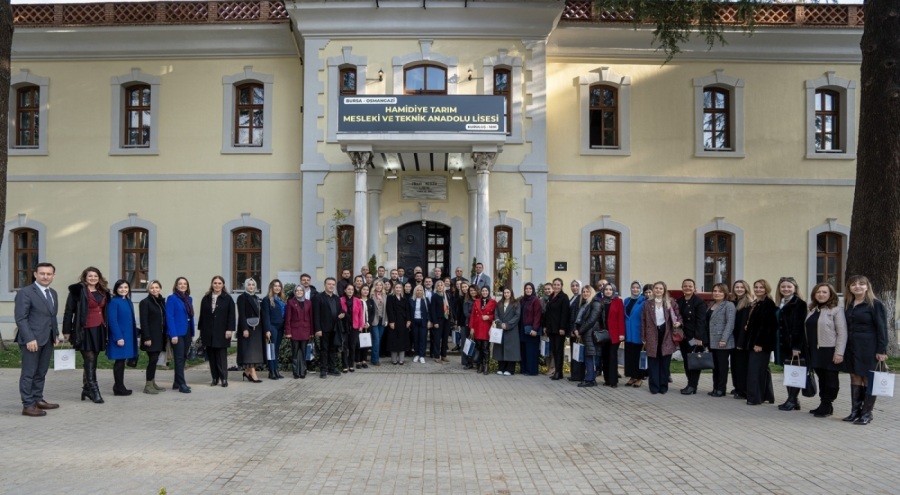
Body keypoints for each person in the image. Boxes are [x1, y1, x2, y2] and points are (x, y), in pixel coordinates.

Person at [842, 275, 888, 425]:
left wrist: (882, 350)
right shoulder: (848, 304)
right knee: (855, 376)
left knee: (868, 378)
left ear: (867, 287)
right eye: (853, 284)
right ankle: (855, 411)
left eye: (861, 284)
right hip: (851, 346)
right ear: (849, 288)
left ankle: (867, 413)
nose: (857, 286)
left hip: (869, 346)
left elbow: (882, 329)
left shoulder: (875, 304)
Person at [15, 262, 60, 417]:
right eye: (42, 273)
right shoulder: (26, 292)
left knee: (41, 372)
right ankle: (27, 405)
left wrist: (55, 334)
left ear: (53, 275)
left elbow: (52, 316)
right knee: (29, 373)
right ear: (35, 274)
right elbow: (21, 318)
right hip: (31, 340)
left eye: (49, 274)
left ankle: (37, 399)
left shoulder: (53, 293)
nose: (45, 276)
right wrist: (29, 338)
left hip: (47, 339)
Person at [63, 267, 112, 404]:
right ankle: (94, 390)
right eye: (90, 276)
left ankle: (86, 388)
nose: (93, 278)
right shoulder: (77, 290)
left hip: (99, 329)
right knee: (89, 359)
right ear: (85, 277)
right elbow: (69, 311)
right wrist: (66, 331)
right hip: (83, 329)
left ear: (99, 277)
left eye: (95, 276)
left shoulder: (103, 291)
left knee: (93, 359)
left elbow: (106, 310)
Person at [804, 283, 847, 418]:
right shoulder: (812, 309)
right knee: (821, 377)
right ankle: (824, 403)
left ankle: (828, 404)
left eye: (824, 292)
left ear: (830, 295)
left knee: (830, 379)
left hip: (830, 350)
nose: (821, 295)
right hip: (815, 351)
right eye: (818, 292)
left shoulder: (836, 310)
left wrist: (839, 352)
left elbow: (842, 333)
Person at [640, 281, 681, 395]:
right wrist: (643, 337)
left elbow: (678, 316)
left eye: (660, 288)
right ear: (653, 290)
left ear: (664, 290)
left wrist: (678, 323)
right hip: (652, 334)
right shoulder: (647, 303)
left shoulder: (670, 302)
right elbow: (643, 321)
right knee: (653, 361)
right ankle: (654, 386)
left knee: (664, 362)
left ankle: (663, 386)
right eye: (656, 288)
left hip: (666, 334)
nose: (658, 290)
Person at [197, 276, 235, 387]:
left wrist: (229, 329)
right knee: (211, 356)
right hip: (208, 331)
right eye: (215, 283)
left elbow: (231, 315)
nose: (217, 285)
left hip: (222, 331)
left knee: (221, 356)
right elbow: (202, 315)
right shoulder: (206, 298)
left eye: (219, 283)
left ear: (223, 285)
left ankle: (224, 378)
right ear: (212, 284)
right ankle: (214, 378)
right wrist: (201, 331)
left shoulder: (227, 298)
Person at [744, 280, 777, 406]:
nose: (758, 289)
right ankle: (767, 395)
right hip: (754, 341)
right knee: (763, 369)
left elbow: (766, 326)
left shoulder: (768, 304)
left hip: (760, 343)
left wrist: (759, 343)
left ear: (766, 289)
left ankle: (754, 398)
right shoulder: (757, 302)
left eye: (761, 288)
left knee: (755, 370)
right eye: (756, 287)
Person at [776, 276, 806, 411]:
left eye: (789, 287)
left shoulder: (799, 304)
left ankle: (792, 400)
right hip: (783, 343)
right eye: (783, 287)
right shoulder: (782, 302)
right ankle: (793, 399)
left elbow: (799, 326)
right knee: (788, 371)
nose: (786, 289)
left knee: (794, 371)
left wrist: (796, 347)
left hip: (793, 345)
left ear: (794, 288)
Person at [106, 279, 139, 396]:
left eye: (125, 287)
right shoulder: (114, 302)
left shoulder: (128, 301)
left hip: (128, 336)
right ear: (116, 289)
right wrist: (118, 337)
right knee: (119, 361)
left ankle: (119, 386)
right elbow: (112, 320)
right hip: (119, 337)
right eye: (120, 288)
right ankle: (118, 387)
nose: (123, 289)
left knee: (122, 361)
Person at [676, 279, 707, 395]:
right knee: (686, 361)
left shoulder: (699, 302)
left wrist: (699, 338)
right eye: (685, 286)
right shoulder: (680, 301)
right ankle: (690, 383)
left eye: (690, 286)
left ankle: (693, 385)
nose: (687, 288)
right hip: (683, 337)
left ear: (694, 288)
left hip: (694, 337)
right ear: (682, 287)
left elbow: (701, 321)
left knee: (694, 361)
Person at [165, 277, 194, 393]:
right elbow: (169, 317)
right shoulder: (172, 298)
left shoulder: (189, 299)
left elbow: (190, 316)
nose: (182, 285)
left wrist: (192, 332)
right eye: (180, 284)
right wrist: (173, 334)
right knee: (179, 358)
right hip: (177, 332)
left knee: (184, 356)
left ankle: (176, 382)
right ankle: (182, 384)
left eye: (184, 284)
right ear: (176, 286)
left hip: (187, 331)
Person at [706, 283, 736, 397]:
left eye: (720, 291)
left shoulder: (729, 305)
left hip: (723, 341)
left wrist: (724, 339)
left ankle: (721, 389)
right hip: (712, 340)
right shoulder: (711, 305)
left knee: (722, 366)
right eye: (715, 290)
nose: (717, 293)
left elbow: (730, 323)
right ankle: (715, 387)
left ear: (725, 293)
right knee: (715, 366)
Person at [138, 280, 167, 394]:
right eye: (152, 288)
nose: (154, 289)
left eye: (157, 287)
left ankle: (152, 382)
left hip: (160, 336)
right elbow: (143, 321)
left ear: (160, 288)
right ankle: (148, 385)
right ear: (148, 289)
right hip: (151, 337)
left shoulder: (161, 302)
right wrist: (147, 337)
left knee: (155, 361)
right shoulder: (145, 302)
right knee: (152, 360)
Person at [237, 278, 267, 383]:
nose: (251, 286)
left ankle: (247, 372)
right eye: (249, 284)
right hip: (247, 328)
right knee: (248, 352)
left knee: (254, 352)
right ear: (245, 286)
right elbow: (242, 314)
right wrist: (244, 329)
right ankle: (253, 373)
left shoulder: (257, 298)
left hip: (257, 328)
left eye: (253, 285)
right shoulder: (242, 298)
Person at [729, 280, 754, 400]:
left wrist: (740, 342)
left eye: (741, 287)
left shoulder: (748, 303)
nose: (739, 289)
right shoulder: (734, 302)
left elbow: (745, 325)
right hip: (733, 339)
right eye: (736, 287)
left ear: (746, 289)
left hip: (741, 341)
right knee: (734, 365)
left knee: (741, 366)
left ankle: (742, 390)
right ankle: (737, 387)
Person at [314, 277, 343, 377]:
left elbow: (340, 310)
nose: (331, 286)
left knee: (333, 349)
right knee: (324, 350)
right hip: (324, 329)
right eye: (329, 284)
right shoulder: (319, 297)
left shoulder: (336, 298)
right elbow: (316, 314)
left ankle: (332, 368)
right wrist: (317, 329)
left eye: (333, 284)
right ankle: (323, 369)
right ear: (325, 285)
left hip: (335, 328)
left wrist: (341, 314)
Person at [572, 286, 600, 387]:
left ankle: (590, 380)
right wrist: (575, 328)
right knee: (587, 357)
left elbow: (591, 321)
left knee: (591, 358)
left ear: (591, 292)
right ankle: (589, 378)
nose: (585, 293)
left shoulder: (595, 303)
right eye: (583, 292)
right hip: (585, 334)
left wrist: (580, 331)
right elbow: (578, 319)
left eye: (587, 291)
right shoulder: (583, 304)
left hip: (591, 335)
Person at [598, 283, 625, 388]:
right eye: (606, 289)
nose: (608, 291)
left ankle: (614, 381)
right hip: (603, 334)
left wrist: (622, 334)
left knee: (612, 357)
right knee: (605, 356)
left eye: (610, 289)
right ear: (603, 291)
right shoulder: (601, 302)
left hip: (614, 334)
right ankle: (607, 380)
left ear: (613, 291)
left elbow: (620, 318)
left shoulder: (618, 301)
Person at [543, 278, 570, 381]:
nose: (556, 286)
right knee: (554, 350)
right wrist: (545, 326)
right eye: (554, 284)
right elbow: (547, 313)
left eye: (558, 285)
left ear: (561, 286)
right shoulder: (551, 296)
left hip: (559, 329)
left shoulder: (564, 297)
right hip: (551, 328)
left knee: (559, 351)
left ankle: (559, 372)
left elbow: (565, 313)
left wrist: (562, 327)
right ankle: (558, 371)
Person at [285, 284, 313, 378]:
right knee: (295, 352)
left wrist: (311, 332)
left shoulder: (308, 302)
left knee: (304, 352)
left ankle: (303, 371)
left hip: (305, 330)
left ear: (303, 292)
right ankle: (296, 372)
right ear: (295, 292)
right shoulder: (291, 302)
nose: (299, 292)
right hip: (294, 331)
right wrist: (288, 332)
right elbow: (288, 318)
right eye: (297, 291)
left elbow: (311, 318)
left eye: (301, 290)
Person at [623, 282, 648, 387]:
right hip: (628, 333)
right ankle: (632, 376)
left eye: (637, 287)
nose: (635, 289)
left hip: (638, 332)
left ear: (641, 289)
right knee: (630, 356)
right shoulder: (626, 300)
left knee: (639, 356)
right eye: (633, 287)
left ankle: (639, 377)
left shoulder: (644, 301)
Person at [493, 287, 521, 375]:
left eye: (508, 292)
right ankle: (501, 368)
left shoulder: (516, 303)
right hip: (501, 328)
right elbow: (496, 314)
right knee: (500, 349)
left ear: (511, 293)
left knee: (511, 349)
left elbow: (517, 316)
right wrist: (500, 323)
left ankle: (510, 369)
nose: (506, 294)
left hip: (511, 329)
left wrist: (507, 324)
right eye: (505, 293)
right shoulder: (500, 303)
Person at [262, 279, 287, 380]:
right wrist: (267, 330)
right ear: (271, 288)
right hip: (272, 327)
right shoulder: (267, 299)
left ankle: (276, 370)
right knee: (271, 350)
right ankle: (271, 371)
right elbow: (266, 316)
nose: (277, 288)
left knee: (276, 350)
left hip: (280, 327)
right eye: (275, 286)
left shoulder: (281, 300)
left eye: (279, 286)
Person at [469, 285, 496, 375]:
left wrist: (489, 317)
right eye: (483, 291)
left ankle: (486, 365)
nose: (485, 292)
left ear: (489, 291)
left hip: (486, 327)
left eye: (486, 291)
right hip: (477, 327)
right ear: (481, 292)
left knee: (485, 348)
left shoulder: (493, 302)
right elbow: (472, 315)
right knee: (478, 347)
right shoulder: (477, 301)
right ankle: (479, 364)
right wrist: (472, 327)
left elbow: (496, 315)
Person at [519, 282, 543, 376]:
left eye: (530, 288)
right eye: (526, 289)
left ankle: (532, 370)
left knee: (531, 351)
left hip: (532, 330)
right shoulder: (523, 300)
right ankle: (524, 369)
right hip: (523, 329)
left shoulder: (535, 300)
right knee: (524, 350)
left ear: (533, 290)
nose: (528, 290)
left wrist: (535, 328)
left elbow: (538, 315)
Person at [385, 282, 410, 365]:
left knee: (402, 339)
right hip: (394, 321)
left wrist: (408, 320)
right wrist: (391, 321)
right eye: (397, 287)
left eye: (400, 288)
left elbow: (407, 310)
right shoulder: (390, 298)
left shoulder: (404, 298)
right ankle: (394, 359)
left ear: (402, 289)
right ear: (394, 289)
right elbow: (389, 310)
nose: (398, 289)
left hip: (403, 321)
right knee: (394, 340)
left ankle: (401, 359)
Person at [339, 284, 362, 372]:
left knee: (352, 346)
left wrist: (360, 325)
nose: (350, 291)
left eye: (352, 289)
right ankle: (345, 365)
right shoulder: (340, 300)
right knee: (344, 346)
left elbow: (360, 314)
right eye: (348, 289)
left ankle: (351, 364)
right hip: (344, 327)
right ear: (345, 290)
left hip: (354, 326)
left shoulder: (357, 301)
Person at [567, 280, 585, 383]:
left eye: (577, 286)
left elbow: (577, 315)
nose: (574, 288)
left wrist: (575, 329)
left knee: (578, 353)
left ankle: (578, 375)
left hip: (577, 330)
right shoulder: (573, 298)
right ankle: (574, 374)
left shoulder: (580, 298)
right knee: (574, 352)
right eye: (573, 286)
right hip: (572, 330)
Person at [429, 280, 451, 363]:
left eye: (441, 285)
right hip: (438, 320)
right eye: (438, 285)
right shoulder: (434, 296)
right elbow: (433, 310)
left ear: (444, 287)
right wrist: (435, 322)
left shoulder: (447, 295)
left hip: (446, 319)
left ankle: (444, 355)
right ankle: (437, 356)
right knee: (437, 339)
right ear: (436, 287)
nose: (440, 287)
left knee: (445, 338)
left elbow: (450, 306)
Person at [409, 285, 431, 364]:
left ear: (423, 292)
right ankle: (417, 354)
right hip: (414, 322)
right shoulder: (411, 300)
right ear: (415, 291)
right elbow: (409, 311)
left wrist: (429, 321)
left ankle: (422, 355)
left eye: (420, 290)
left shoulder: (426, 300)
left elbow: (429, 312)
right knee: (416, 339)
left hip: (423, 322)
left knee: (422, 339)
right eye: (417, 290)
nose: (419, 292)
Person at [369, 280, 387, 366]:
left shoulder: (384, 296)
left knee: (377, 340)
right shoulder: (371, 296)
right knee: (376, 340)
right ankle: (375, 360)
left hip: (382, 320)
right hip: (374, 321)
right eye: (377, 285)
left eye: (380, 285)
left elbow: (386, 309)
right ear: (374, 286)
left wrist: (386, 319)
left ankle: (373, 357)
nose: (379, 287)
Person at [461, 284, 478, 368]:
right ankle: (469, 362)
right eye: (471, 290)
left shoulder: (480, 300)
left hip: (480, 325)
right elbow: (466, 313)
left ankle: (478, 361)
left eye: (474, 290)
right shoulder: (467, 301)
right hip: (469, 324)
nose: (473, 292)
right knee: (469, 343)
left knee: (479, 344)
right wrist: (476, 317)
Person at [357, 284, 373, 368]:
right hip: (359, 326)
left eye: (367, 290)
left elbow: (372, 314)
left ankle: (364, 360)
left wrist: (368, 323)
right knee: (358, 343)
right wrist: (360, 324)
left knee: (365, 344)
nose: (365, 291)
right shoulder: (357, 300)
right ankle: (358, 361)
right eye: (364, 289)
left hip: (367, 326)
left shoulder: (370, 301)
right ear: (360, 290)